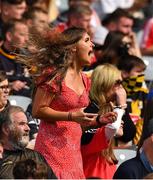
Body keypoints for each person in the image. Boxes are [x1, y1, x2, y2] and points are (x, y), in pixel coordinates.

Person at [17, 26, 117, 179]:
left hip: (74, 152)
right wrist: (71, 116)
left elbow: (78, 121)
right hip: (51, 150)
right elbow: (38, 110)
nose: (93, 45)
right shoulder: (54, 74)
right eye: (87, 40)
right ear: (73, 48)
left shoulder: (85, 80)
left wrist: (98, 121)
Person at [81, 64, 135, 179]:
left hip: (106, 168)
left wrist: (122, 107)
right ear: (105, 84)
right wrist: (121, 108)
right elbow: (86, 139)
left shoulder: (115, 107)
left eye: (121, 83)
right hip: (89, 170)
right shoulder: (88, 109)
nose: (121, 88)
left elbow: (128, 135)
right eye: (117, 83)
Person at [0, 105, 57, 179]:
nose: (28, 128)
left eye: (27, 124)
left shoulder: (36, 156)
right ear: (6, 129)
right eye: (22, 124)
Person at [118, 55, 148, 145]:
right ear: (125, 73)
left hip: (137, 142)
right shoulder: (115, 92)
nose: (142, 75)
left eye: (143, 72)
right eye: (138, 72)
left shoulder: (143, 93)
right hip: (119, 142)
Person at [0, 19, 32, 97]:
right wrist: (9, 86)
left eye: (27, 35)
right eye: (22, 34)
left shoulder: (28, 57)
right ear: (9, 36)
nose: (27, 39)